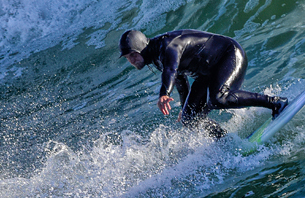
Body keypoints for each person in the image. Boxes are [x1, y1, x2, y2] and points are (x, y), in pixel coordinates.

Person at [119, 28, 288, 138]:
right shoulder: (156, 57)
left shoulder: (168, 46)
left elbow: (170, 70)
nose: (131, 61)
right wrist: (184, 106)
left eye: (133, 55)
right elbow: (180, 81)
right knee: (189, 118)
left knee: (219, 98)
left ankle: (275, 102)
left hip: (229, 55)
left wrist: (164, 94)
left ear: (142, 47)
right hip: (206, 73)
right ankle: (225, 140)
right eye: (128, 58)